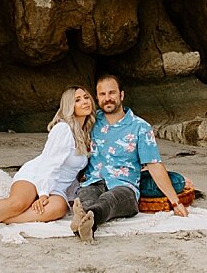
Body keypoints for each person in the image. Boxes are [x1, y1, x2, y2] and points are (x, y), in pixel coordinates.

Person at [0, 86, 94, 237]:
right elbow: (49, 164)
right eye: (78, 100)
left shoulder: (86, 134)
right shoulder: (63, 129)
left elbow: (72, 173)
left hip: (58, 187)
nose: (84, 101)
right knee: (18, 203)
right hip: (37, 175)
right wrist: (43, 193)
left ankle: (4, 219)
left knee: (59, 208)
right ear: (70, 106)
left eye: (86, 97)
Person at [70, 73, 187, 242]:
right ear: (97, 97)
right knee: (85, 197)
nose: (107, 98)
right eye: (102, 94)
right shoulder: (90, 122)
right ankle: (84, 220)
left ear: (121, 95)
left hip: (125, 188)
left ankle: (90, 219)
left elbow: (154, 165)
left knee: (110, 200)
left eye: (112, 93)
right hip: (93, 181)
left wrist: (175, 202)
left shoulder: (140, 127)